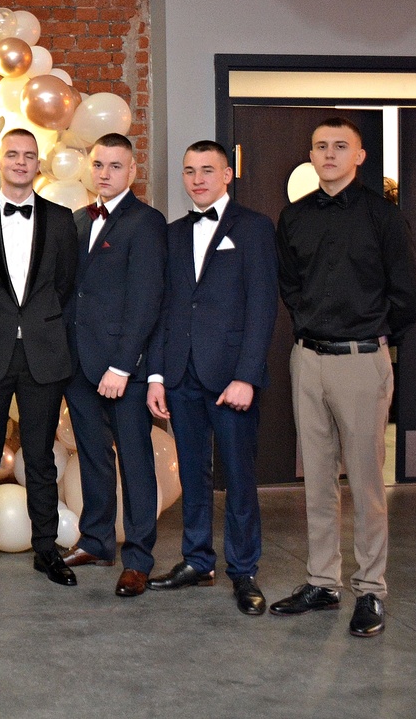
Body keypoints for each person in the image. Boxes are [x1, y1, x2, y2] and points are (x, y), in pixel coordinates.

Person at [270, 116, 416, 637]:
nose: (328, 154)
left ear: (359, 156)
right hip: (308, 359)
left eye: (340, 146)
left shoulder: (383, 217)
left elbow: (406, 295)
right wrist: (313, 326)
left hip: (361, 360)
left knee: (365, 481)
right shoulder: (293, 217)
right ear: (311, 155)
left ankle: (371, 589)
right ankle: (322, 582)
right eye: (320, 146)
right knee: (316, 478)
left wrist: (372, 334)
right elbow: (290, 286)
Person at [146, 140, 277, 616]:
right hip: (181, 374)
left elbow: (263, 306)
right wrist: (157, 375)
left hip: (230, 378)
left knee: (239, 476)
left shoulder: (254, 228)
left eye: (207, 170)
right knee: (192, 474)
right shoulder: (173, 233)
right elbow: (164, 308)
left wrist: (247, 376)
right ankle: (197, 561)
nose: (197, 179)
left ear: (227, 175)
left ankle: (243, 570)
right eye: (189, 171)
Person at [0, 128, 79, 588]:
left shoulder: (61, 219)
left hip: (43, 353)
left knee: (41, 457)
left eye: (29, 156)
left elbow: (65, 285)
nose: (20, 162)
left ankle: (46, 548)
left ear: (38, 163)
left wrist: (38, 325)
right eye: (12, 154)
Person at [63, 132, 166, 598]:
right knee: (93, 456)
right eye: (99, 165)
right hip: (79, 364)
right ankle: (97, 541)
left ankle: (139, 558)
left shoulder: (146, 222)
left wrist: (123, 367)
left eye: (115, 166)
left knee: (136, 461)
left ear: (132, 171)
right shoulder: (79, 220)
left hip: (124, 368)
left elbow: (146, 300)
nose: (105, 174)